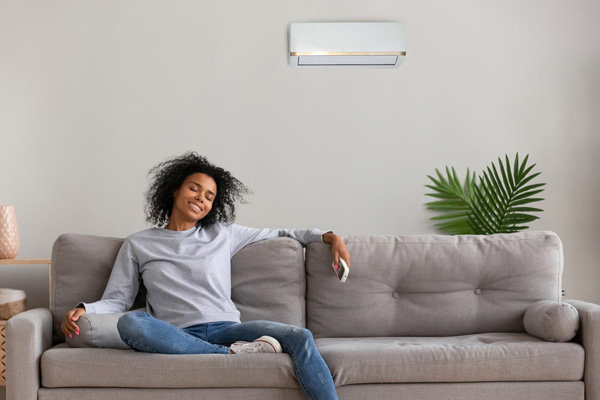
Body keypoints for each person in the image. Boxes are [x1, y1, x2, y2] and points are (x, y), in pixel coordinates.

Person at [61, 151, 350, 400]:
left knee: (300, 335)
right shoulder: (138, 243)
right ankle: (232, 355)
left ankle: (230, 350)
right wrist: (85, 309)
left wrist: (330, 238)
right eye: (194, 189)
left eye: (209, 196)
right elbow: (118, 299)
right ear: (175, 190)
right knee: (131, 323)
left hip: (230, 330)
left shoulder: (222, 233)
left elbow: (283, 232)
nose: (201, 198)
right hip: (177, 333)